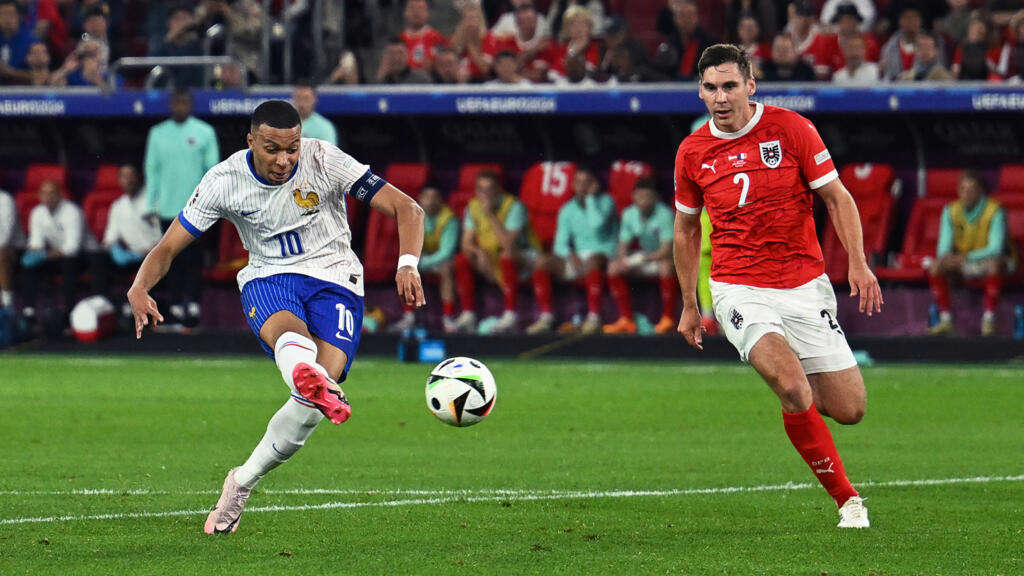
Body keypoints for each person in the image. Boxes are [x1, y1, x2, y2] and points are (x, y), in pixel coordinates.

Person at [127, 100, 425, 535]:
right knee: (292, 339)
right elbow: (169, 246)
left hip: (336, 278)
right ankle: (306, 372)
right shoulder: (224, 181)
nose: (284, 160)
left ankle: (242, 481)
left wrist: (408, 264)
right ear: (251, 141)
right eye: (272, 149)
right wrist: (139, 287)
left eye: (292, 148)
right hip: (270, 275)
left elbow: (408, 208)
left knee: (312, 405)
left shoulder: (324, 160)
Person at [674, 44, 883, 529]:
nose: (720, 97)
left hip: (804, 285)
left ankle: (797, 395)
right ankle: (848, 501)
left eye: (730, 86)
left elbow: (837, 197)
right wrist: (689, 303)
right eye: (710, 88)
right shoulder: (692, 151)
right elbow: (685, 230)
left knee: (849, 409)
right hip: (739, 287)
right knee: (791, 386)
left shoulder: (792, 129)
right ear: (700, 92)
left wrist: (858, 263)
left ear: (750, 86)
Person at [144, 89, 220, 327]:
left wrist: (212, 203)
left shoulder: (205, 132)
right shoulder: (157, 133)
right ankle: (176, 304)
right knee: (170, 258)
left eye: (184, 102)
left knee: (194, 259)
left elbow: (213, 171)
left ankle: (194, 303)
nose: (180, 106)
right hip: (167, 208)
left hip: (196, 209)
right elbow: (152, 170)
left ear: (190, 104)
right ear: (170, 105)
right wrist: (150, 204)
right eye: (176, 102)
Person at [527, 166, 617, 335]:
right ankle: (546, 317)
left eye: (587, 182)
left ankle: (594, 318)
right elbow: (559, 244)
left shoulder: (606, 202)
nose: (582, 187)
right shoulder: (567, 209)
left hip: (604, 255)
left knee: (593, 260)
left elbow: (597, 225)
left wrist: (590, 198)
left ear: (595, 184)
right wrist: (570, 254)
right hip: (579, 258)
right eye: (578, 182)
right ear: (573, 185)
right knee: (542, 261)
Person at [928, 170, 1012, 336]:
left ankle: (989, 320)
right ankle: (946, 320)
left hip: (998, 260)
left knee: (994, 263)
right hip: (964, 261)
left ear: (980, 191)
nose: (966, 194)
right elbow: (942, 248)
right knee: (936, 265)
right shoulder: (950, 210)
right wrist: (948, 258)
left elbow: (996, 248)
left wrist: (967, 257)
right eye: (963, 189)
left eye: (971, 189)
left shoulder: (995, 210)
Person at [453, 170, 535, 334]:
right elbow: (466, 243)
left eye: (489, 189)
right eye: (480, 189)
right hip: (490, 255)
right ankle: (468, 314)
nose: (484, 194)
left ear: (498, 190)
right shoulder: (472, 207)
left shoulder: (514, 206)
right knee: (462, 259)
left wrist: (490, 214)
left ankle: (511, 314)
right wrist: (479, 252)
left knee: (506, 256)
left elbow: (508, 245)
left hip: (523, 256)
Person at [603, 178, 678, 335]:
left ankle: (668, 319)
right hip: (645, 258)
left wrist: (640, 260)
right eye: (639, 196)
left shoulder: (665, 214)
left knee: (666, 266)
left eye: (647, 196)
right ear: (633, 196)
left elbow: (666, 250)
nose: (643, 200)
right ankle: (626, 319)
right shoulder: (629, 214)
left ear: (655, 197)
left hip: (665, 258)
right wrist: (624, 260)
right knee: (613, 267)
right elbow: (623, 245)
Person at [20, 179, 102, 319]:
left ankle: (68, 311)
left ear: (60, 195)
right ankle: (29, 311)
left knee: (68, 265)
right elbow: (36, 243)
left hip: (86, 255)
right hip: (58, 254)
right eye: (44, 193)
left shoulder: (72, 211)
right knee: (29, 266)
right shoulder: (37, 212)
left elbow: (72, 248)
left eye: (52, 193)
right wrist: (34, 253)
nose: (48, 197)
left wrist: (43, 255)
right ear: (39, 196)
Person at [392, 184, 459, 333]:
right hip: (421, 259)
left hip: (441, 261)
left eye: (434, 198)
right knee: (405, 267)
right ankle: (409, 316)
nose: (430, 201)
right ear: (420, 199)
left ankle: (448, 317)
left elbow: (446, 252)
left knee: (446, 268)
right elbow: (408, 244)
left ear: (441, 201)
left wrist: (420, 264)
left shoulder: (449, 219)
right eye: (427, 197)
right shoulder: (413, 216)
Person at [101, 165, 162, 292]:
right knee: (99, 258)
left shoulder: (154, 201)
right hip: (131, 256)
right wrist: (109, 247)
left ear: (139, 177)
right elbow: (110, 238)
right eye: (124, 177)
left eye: (131, 176)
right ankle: (104, 301)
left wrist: (153, 249)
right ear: (119, 180)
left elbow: (165, 232)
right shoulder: (117, 206)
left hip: (153, 255)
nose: (128, 180)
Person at [399, 0, 448, 71]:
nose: (416, 12)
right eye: (412, 8)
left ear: (427, 13)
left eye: (420, 8)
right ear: (405, 13)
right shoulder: (399, 41)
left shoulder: (438, 39)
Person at [0, 0, 35, 84]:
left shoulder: (31, 41)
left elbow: (40, 76)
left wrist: (11, 72)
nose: (7, 19)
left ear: (19, 16)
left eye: (11, 14)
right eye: (3, 14)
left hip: (23, 89)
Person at [0, 187, 21, 309]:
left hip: (14, 248)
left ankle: (7, 303)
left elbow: (4, 237)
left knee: (1, 253)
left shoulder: (5, 200)